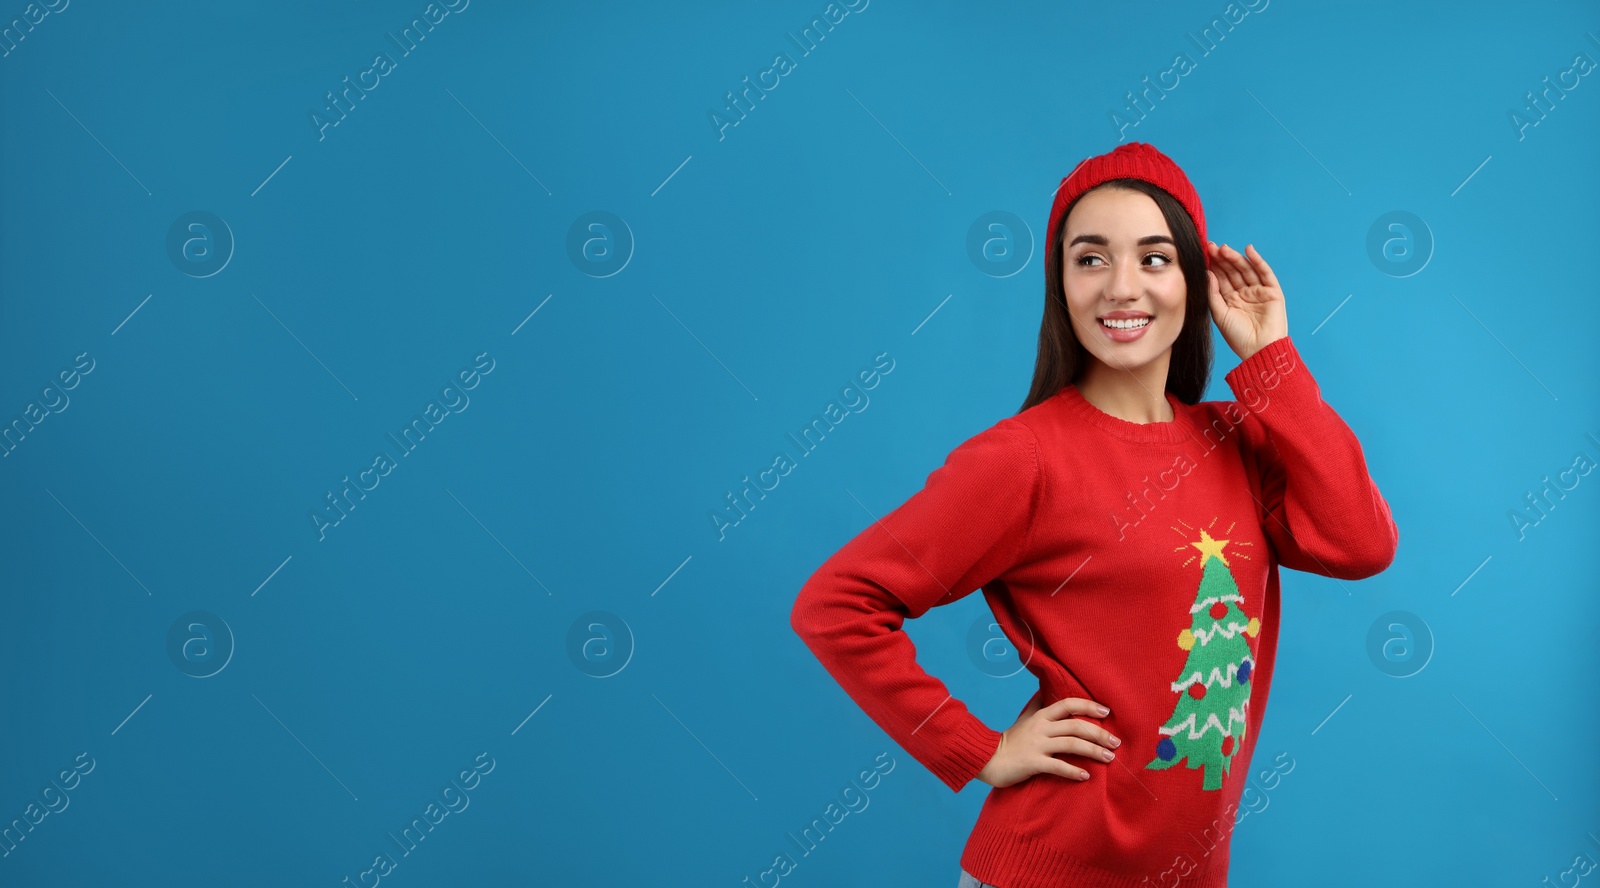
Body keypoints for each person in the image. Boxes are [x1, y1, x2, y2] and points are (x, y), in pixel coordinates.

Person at [788, 141, 1399, 888]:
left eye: (1153, 258)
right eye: (1089, 259)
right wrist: (977, 748)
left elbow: (1361, 544)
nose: (1121, 287)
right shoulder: (1025, 460)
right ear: (1060, 284)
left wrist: (1272, 355)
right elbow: (836, 604)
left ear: (1193, 280)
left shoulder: (1237, 441)